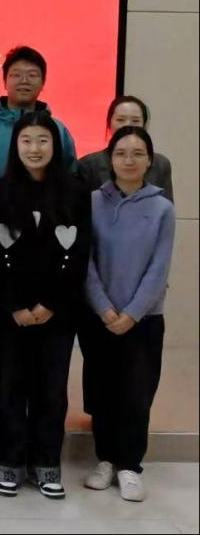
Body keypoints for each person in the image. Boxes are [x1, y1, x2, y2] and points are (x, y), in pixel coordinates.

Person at [0, 46, 77, 428]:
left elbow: (69, 178)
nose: (24, 81)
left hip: (44, 239)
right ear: (4, 79)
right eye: (16, 74)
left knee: (38, 337)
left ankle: (36, 414)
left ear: (43, 81)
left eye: (32, 74)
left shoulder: (58, 130)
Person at [0, 112, 91, 499]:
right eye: (26, 140)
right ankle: (8, 462)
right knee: (9, 387)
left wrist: (51, 304)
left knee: (51, 391)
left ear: (55, 145)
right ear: (15, 146)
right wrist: (14, 306)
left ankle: (46, 464)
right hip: (9, 314)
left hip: (58, 313)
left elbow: (79, 254)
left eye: (43, 140)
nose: (35, 148)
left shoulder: (76, 193)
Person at [83, 127, 174, 502]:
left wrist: (132, 313)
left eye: (138, 153)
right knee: (102, 390)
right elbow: (85, 262)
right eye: (121, 153)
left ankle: (130, 466)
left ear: (150, 160)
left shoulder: (162, 208)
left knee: (137, 394)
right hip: (99, 316)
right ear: (110, 158)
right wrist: (104, 308)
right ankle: (105, 459)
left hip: (144, 319)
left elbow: (159, 268)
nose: (129, 160)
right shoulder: (92, 202)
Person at [77, 96, 173, 200]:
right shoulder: (88, 165)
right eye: (120, 120)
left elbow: (166, 205)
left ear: (144, 125)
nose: (127, 125)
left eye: (135, 120)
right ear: (109, 124)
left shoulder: (160, 164)